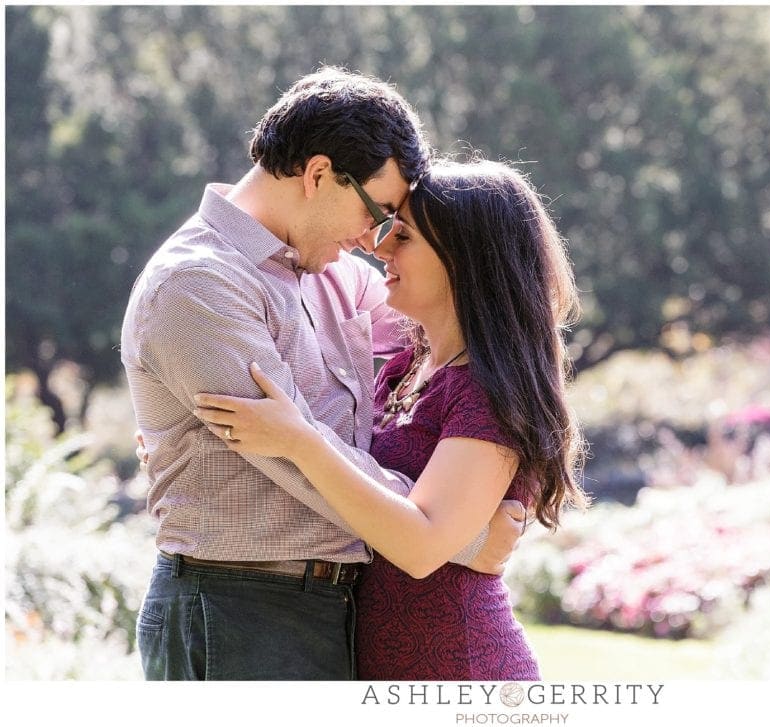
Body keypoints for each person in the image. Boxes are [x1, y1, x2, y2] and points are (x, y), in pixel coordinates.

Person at [120, 67, 524, 681]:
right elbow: (293, 464)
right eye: (377, 212)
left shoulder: (330, 274)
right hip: (238, 606)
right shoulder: (199, 285)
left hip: (328, 607)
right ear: (317, 175)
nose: (374, 241)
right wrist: (460, 540)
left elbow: (461, 319)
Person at [192, 158, 589, 680]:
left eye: (403, 237)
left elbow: (421, 548)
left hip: (457, 671)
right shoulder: (407, 364)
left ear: (463, 260)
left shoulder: (487, 394)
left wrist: (301, 442)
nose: (380, 249)